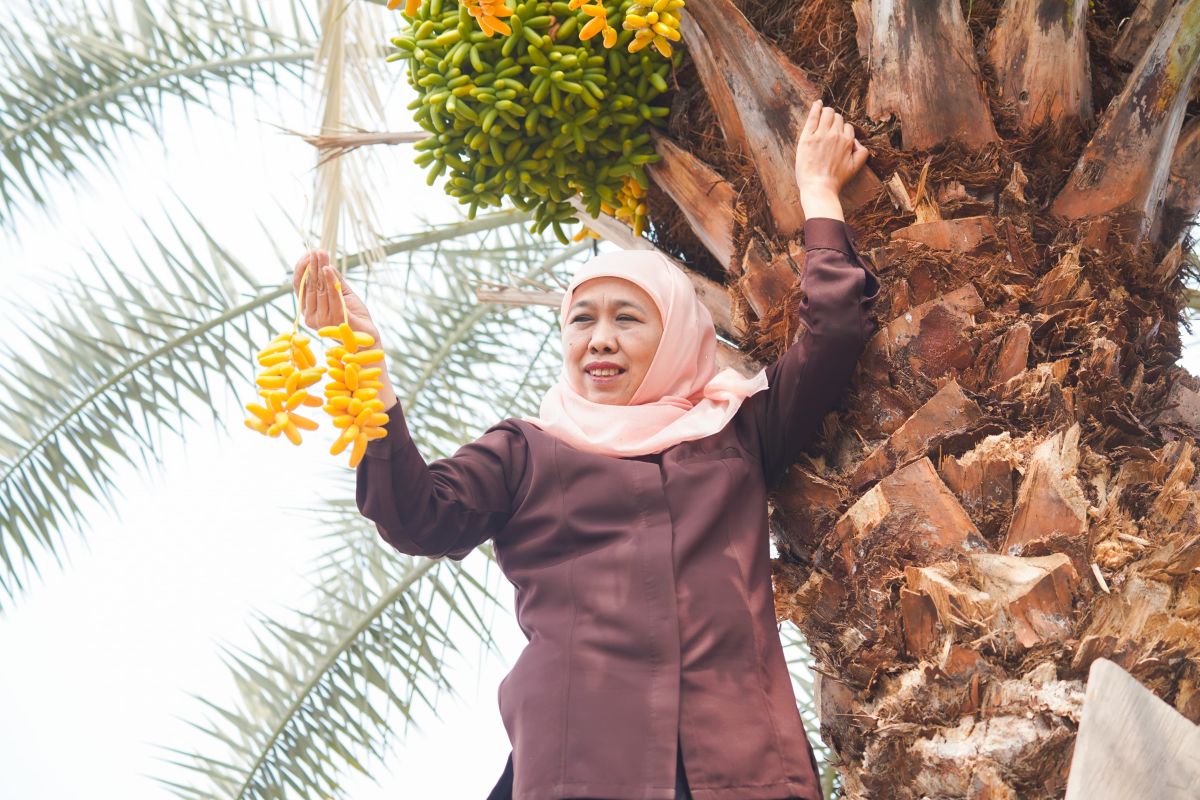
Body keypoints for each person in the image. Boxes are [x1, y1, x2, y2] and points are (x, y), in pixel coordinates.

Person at [292, 99, 881, 800]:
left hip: (742, 765)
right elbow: (415, 516)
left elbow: (836, 331)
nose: (599, 339)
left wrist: (817, 192)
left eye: (627, 318)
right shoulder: (526, 453)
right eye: (581, 320)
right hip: (575, 766)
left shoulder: (736, 433)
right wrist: (359, 363)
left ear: (677, 337)